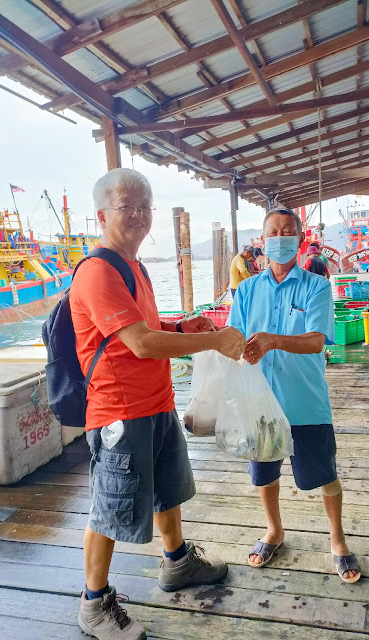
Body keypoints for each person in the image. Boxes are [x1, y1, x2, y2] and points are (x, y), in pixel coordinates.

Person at [70, 168, 246, 640]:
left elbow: (151, 328)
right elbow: (142, 344)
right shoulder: (97, 271)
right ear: (102, 213)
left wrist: (187, 328)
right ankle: (93, 604)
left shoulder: (135, 267)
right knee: (109, 509)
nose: (138, 214)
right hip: (119, 414)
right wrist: (213, 340)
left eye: (145, 205)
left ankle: (178, 563)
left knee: (168, 490)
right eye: (126, 205)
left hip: (156, 403)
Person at [228, 207, 361, 584]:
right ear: (262, 241)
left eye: (288, 230)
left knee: (324, 475)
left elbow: (316, 341)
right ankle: (274, 531)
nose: (280, 236)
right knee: (264, 474)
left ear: (300, 240)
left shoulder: (316, 286)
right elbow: (234, 338)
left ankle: (337, 539)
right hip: (260, 404)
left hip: (305, 402)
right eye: (273, 231)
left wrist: (271, 341)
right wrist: (225, 345)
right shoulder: (248, 289)